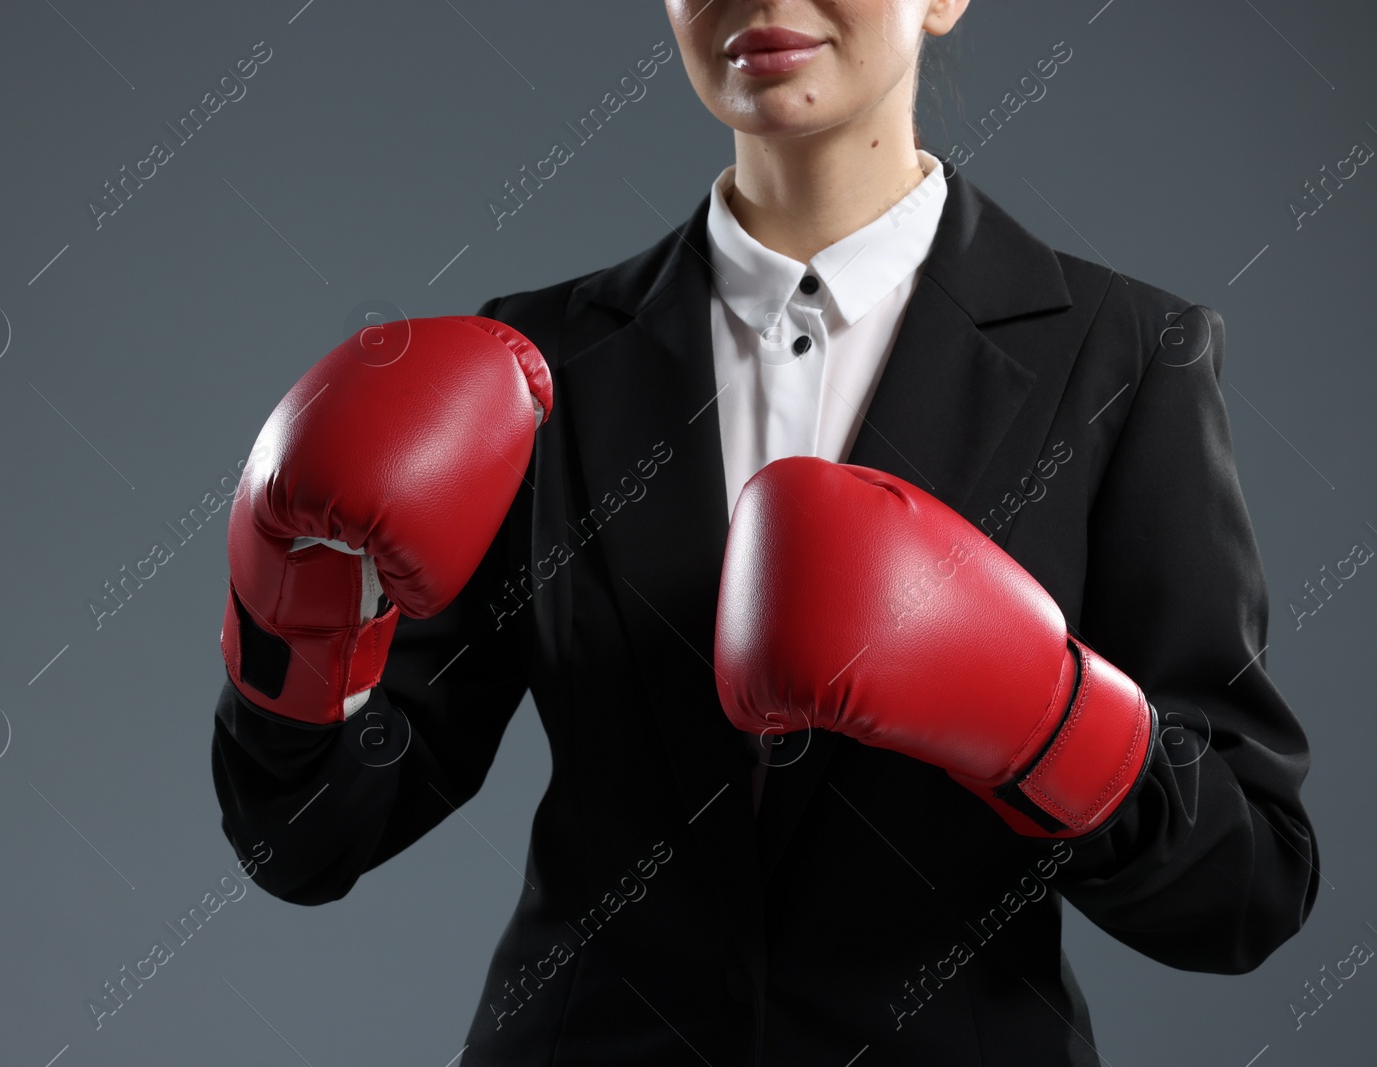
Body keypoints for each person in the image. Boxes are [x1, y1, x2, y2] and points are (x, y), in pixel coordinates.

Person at [209, 2, 1319, 1063]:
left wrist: (1050, 721)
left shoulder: (1124, 355)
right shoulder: (534, 365)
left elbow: (1247, 887)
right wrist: (292, 623)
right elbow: (307, 839)